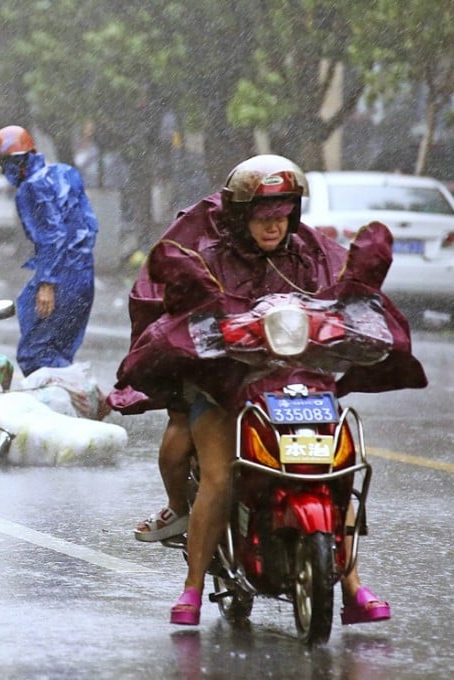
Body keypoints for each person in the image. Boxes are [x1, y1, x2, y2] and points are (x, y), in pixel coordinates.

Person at [110, 154, 427, 626]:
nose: (273, 226)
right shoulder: (210, 255)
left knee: (336, 471)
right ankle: (193, 587)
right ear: (241, 216)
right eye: (262, 216)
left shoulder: (313, 253)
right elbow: (179, 312)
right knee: (218, 474)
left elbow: (345, 297)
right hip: (224, 385)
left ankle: (354, 587)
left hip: (299, 383)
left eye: (281, 215)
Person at [0, 125, 97, 376]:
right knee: (59, 350)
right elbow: (89, 226)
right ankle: (71, 398)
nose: (5, 173)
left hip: (61, 278)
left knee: (36, 355)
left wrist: (48, 282)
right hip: (83, 275)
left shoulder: (31, 188)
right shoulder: (66, 173)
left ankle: (54, 407)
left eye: (4, 166)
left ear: (17, 161)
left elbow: (53, 235)